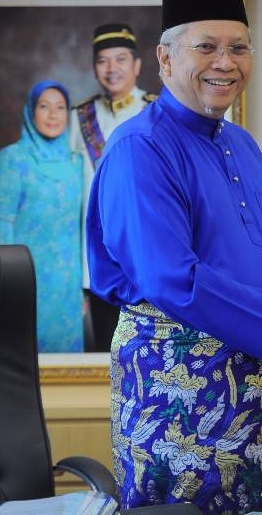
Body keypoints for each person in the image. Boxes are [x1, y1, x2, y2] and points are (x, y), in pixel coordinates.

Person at [86, 0, 262, 513]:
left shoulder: (241, 143)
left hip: (261, 399)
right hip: (180, 400)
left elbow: (245, 263)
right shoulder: (140, 150)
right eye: (206, 47)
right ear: (165, 60)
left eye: (239, 47)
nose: (225, 62)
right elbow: (174, 280)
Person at [69, 22, 156, 352]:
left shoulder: (156, 113)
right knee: (105, 351)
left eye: (120, 59)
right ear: (94, 68)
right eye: (103, 60)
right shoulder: (80, 118)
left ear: (136, 65)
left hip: (147, 252)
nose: (112, 68)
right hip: (96, 259)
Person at [0, 80, 83, 352]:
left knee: (69, 373)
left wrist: (84, 290)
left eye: (60, 107)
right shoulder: (12, 158)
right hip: (24, 281)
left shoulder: (77, 163)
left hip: (68, 286)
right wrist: (0, 285)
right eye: (44, 107)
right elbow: (2, 225)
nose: (53, 115)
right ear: (31, 112)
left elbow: (81, 229)